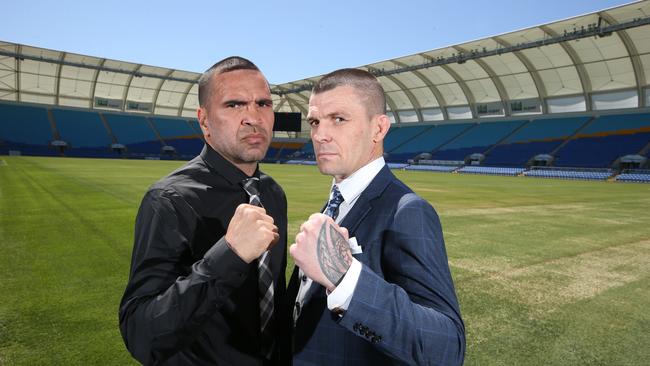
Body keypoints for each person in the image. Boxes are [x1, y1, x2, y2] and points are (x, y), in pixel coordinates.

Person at [119, 56, 290, 365]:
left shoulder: (273, 194)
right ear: (204, 120)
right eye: (234, 105)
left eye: (263, 104)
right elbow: (141, 335)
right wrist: (230, 254)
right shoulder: (169, 200)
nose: (254, 117)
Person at [288, 68, 465, 365]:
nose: (320, 135)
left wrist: (344, 276)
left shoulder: (407, 211)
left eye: (339, 119)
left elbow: (447, 347)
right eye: (315, 122)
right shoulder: (336, 202)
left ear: (379, 129)